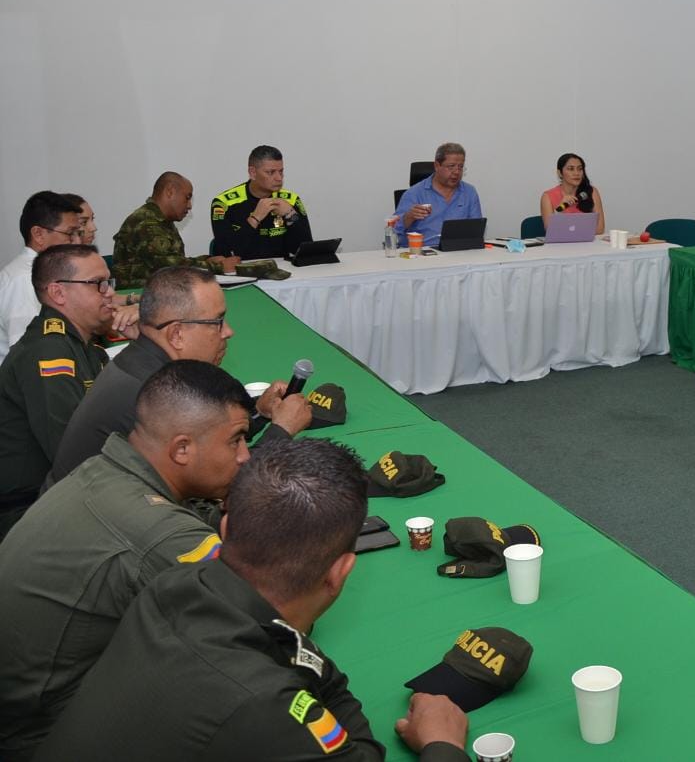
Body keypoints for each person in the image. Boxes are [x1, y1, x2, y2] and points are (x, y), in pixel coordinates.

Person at [35, 438, 471, 762]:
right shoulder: (263, 704)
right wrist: (442, 744)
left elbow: (319, 676)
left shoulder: (175, 585)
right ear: (340, 572)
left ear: (224, 530)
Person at [0, 360, 252, 761]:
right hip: (42, 736)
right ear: (181, 449)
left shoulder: (103, 470)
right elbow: (262, 612)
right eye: (236, 440)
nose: (245, 457)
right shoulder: (160, 534)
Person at [50, 266, 311, 483]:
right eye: (217, 322)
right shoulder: (161, 395)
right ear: (176, 334)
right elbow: (234, 484)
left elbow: (214, 442)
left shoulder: (143, 362)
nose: (228, 332)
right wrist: (282, 430)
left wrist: (260, 413)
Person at [0, 245, 128, 537]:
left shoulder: (83, 346)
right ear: (58, 293)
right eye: (98, 284)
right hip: (28, 512)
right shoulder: (49, 352)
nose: (109, 293)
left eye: (108, 282)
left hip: (63, 494)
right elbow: (74, 455)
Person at [112, 172, 241, 289]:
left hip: (159, 293)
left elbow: (174, 260)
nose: (189, 206)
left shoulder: (161, 220)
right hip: (139, 298)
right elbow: (169, 268)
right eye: (187, 197)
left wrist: (207, 260)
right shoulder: (146, 222)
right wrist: (218, 267)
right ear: (170, 192)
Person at [0, 192, 83, 361]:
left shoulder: (42, 272)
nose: (77, 242)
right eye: (70, 233)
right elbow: (29, 355)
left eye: (78, 233)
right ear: (38, 234)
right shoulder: (23, 280)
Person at [211, 145, 313, 259]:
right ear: (253, 173)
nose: (279, 178)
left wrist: (290, 215)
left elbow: (306, 250)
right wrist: (255, 218)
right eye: (271, 172)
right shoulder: (224, 203)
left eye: (281, 171)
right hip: (242, 268)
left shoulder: (291, 199)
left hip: (282, 267)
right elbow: (225, 253)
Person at [394, 142, 483, 248]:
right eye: (451, 166)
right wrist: (408, 217)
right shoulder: (414, 194)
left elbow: (476, 231)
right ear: (437, 166)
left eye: (460, 167)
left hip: (458, 250)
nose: (456, 172)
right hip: (424, 251)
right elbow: (394, 230)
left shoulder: (469, 192)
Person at [540, 152, 606, 235]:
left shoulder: (591, 192)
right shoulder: (547, 196)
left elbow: (600, 229)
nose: (576, 173)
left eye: (580, 169)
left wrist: (574, 233)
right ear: (560, 173)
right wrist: (559, 211)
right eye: (571, 169)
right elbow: (550, 230)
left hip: (586, 242)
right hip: (561, 243)